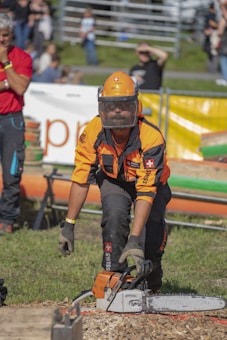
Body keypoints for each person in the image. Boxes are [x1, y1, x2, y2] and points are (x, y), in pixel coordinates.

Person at [59, 71, 171, 293]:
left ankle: (151, 286)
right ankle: (114, 278)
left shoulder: (151, 137)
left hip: (151, 188)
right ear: (103, 107)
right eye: (112, 105)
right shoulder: (93, 131)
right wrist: (69, 225)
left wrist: (136, 238)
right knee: (114, 216)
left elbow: (146, 191)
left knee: (149, 240)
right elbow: (81, 177)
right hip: (114, 181)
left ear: (135, 107)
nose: (118, 110)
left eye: (124, 105)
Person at [0, 12, 32, 233]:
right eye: (0, 35)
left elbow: (20, 87)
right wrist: (7, 83)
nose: (3, 40)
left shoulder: (22, 57)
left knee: (12, 173)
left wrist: (6, 63)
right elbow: (14, 84)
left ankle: (7, 219)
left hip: (12, 119)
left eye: (7, 35)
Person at [203, 2, 219, 73]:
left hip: (209, 36)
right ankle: (212, 70)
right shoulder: (211, 15)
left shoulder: (208, 14)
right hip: (212, 36)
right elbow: (211, 23)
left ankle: (210, 69)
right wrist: (220, 26)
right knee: (214, 52)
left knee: (211, 52)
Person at [216, 1, 227, 85]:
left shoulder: (224, 18)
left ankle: (225, 79)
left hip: (225, 43)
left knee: (224, 59)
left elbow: (220, 32)